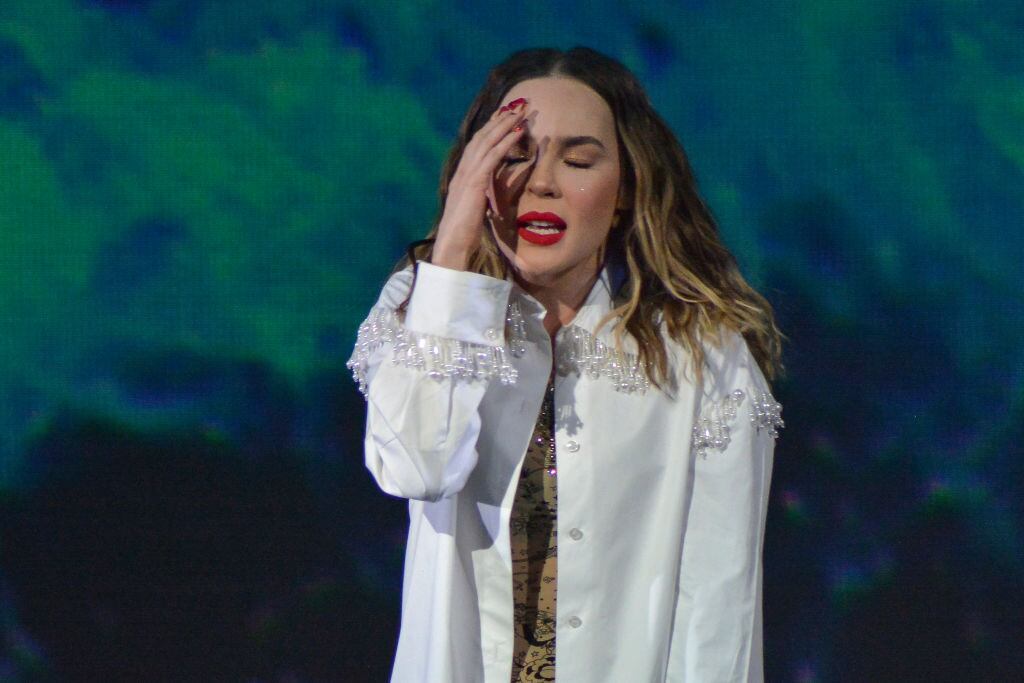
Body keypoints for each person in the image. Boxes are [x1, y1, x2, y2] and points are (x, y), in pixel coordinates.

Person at [347, 46, 784, 683]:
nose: (542, 181)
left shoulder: (703, 355)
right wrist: (454, 250)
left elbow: (720, 606)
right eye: (513, 155)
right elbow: (418, 465)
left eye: (578, 159)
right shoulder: (420, 308)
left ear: (626, 187)